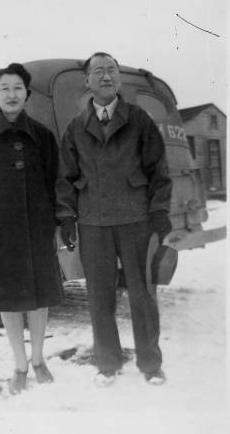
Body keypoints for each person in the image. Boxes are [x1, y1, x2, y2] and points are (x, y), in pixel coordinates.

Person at [56, 52, 172, 387]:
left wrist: (159, 211)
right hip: (93, 223)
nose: (106, 77)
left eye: (112, 71)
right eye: (99, 71)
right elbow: (66, 177)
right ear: (87, 81)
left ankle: (151, 365)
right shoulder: (76, 128)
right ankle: (107, 363)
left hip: (136, 220)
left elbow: (158, 171)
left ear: (118, 80)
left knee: (143, 295)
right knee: (99, 297)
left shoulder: (139, 120)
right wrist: (66, 217)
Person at [0, 62, 63, 394]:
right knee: (9, 300)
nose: (12, 94)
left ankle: (38, 359)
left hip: (38, 229)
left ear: (27, 94)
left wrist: (58, 225)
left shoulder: (43, 136)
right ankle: (19, 364)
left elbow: (56, 184)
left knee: (39, 297)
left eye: (18, 87)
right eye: (5, 88)